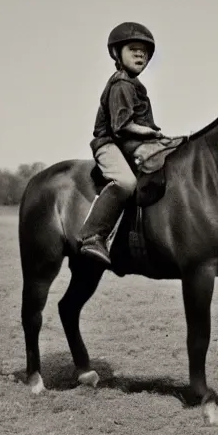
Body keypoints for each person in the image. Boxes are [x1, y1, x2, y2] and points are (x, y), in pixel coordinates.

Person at [77, 22, 166, 266]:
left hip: (128, 143)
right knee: (125, 182)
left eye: (144, 52)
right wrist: (152, 133)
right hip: (110, 143)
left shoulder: (136, 85)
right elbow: (122, 125)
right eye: (134, 50)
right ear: (117, 54)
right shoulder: (121, 84)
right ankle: (93, 236)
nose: (141, 55)